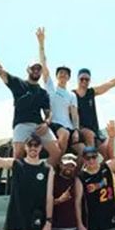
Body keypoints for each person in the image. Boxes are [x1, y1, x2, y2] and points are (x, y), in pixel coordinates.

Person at [0, 33, 61, 165]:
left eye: (39, 69)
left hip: (39, 125)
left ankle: (38, 172)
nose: (36, 70)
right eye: (33, 68)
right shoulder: (18, 83)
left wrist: (46, 123)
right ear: (28, 69)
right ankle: (21, 179)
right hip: (21, 124)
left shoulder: (43, 92)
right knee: (18, 157)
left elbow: (48, 112)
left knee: (57, 154)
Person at [73, 62, 115, 159]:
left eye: (87, 79)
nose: (84, 81)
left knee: (108, 154)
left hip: (96, 130)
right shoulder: (72, 95)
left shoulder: (92, 92)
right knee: (89, 135)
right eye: (82, 79)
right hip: (81, 129)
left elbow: (111, 83)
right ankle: (90, 165)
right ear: (77, 79)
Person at [36, 27, 82, 155]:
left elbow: (74, 114)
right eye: (60, 73)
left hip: (69, 127)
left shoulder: (72, 95)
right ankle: (57, 164)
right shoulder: (50, 86)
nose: (63, 75)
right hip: (54, 124)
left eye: (66, 73)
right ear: (57, 76)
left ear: (69, 77)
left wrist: (77, 130)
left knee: (83, 150)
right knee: (65, 134)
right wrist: (41, 43)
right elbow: (43, 64)